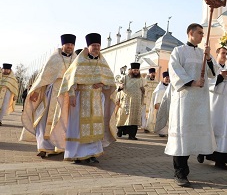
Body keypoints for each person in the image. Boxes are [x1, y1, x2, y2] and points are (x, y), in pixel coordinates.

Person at [165, 23, 217, 187]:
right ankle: (180, 172)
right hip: (185, 99)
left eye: (203, 33)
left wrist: (208, 57)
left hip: (200, 101)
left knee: (193, 135)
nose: (202, 36)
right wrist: (193, 82)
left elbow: (213, 72)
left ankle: (188, 166)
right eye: (200, 33)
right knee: (182, 136)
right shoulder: (178, 51)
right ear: (190, 33)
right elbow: (174, 71)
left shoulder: (203, 53)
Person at [52, 33, 116, 163]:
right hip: (80, 98)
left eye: (98, 45)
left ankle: (92, 153)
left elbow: (110, 80)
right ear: (88, 46)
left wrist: (102, 83)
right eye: (94, 45)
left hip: (96, 99)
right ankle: (76, 154)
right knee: (78, 127)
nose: (97, 47)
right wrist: (72, 95)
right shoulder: (80, 61)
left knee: (95, 125)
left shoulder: (102, 62)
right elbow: (69, 80)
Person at [21, 34, 77, 157]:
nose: (70, 46)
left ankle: (58, 147)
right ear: (63, 45)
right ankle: (42, 147)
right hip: (51, 93)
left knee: (62, 121)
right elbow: (43, 76)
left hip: (67, 94)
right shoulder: (54, 58)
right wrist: (36, 91)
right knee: (43, 120)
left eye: (72, 45)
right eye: (67, 44)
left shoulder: (76, 60)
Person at [198, 47, 227, 170]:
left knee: (225, 131)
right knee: (212, 128)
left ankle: (220, 161)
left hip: (226, 104)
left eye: (226, 53)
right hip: (214, 103)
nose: (225, 55)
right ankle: (203, 151)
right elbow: (208, 83)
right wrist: (221, 77)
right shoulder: (213, 68)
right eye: (222, 53)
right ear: (217, 54)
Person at [115, 62, 145, 140]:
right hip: (126, 101)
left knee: (134, 118)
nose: (136, 72)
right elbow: (118, 84)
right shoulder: (125, 77)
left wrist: (143, 90)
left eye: (137, 70)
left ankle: (132, 135)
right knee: (123, 117)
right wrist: (120, 86)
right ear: (131, 70)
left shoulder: (141, 79)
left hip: (136, 102)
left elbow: (144, 88)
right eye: (134, 70)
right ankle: (120, 131)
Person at [151, 71, 170, 137]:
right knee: (162, 118)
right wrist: (157, 104)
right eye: (166, 77)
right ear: (163, 78)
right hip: (161, 105)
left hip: (169, 105)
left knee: (168, 119)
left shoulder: (170, 86)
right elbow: (157, 96)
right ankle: (161, 132)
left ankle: (167, 132)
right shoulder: (160, 87)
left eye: (168, 77)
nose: (167, 79)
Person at [142, 68, 158, 133]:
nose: (152, 74)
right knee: (145, 113)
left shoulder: (157, 82)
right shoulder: (145, 81)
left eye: (153, 73)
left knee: (152, 114)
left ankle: (151, 127)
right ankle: (145, 127)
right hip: (147, 99)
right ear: (149, 73)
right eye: (151, 73)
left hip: (153, 99)